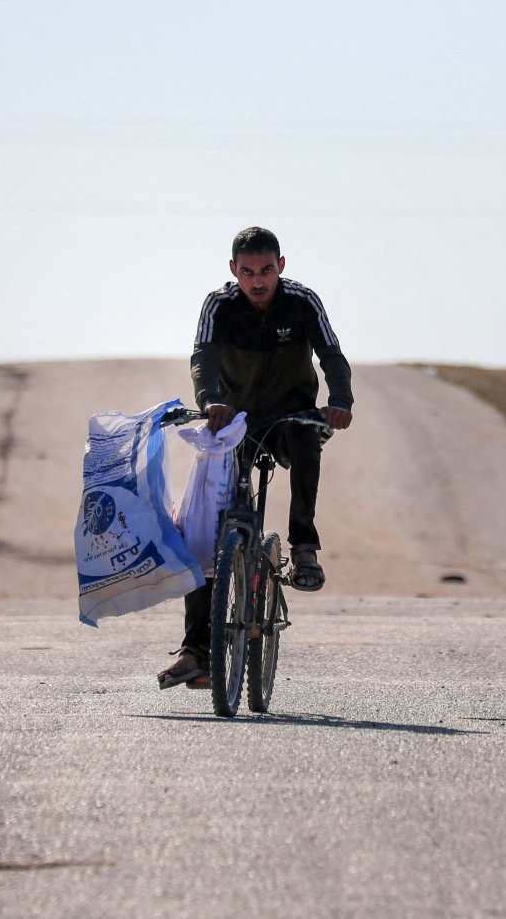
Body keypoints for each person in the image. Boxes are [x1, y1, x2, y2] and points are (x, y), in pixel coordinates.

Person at [158, 226, 354, 690]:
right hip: (232, 423)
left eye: (266, 270)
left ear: (281, 267)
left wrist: (340, 401)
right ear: (234, 271)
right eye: (248, 272)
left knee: (307, 437)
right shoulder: (219, 306)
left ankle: (304, 548)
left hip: (290, 416)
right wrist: (208, 401)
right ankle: (197, 652)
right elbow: (202, 356)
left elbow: (331, 354)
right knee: (205, 533)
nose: (258, 281)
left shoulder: (302, 302)